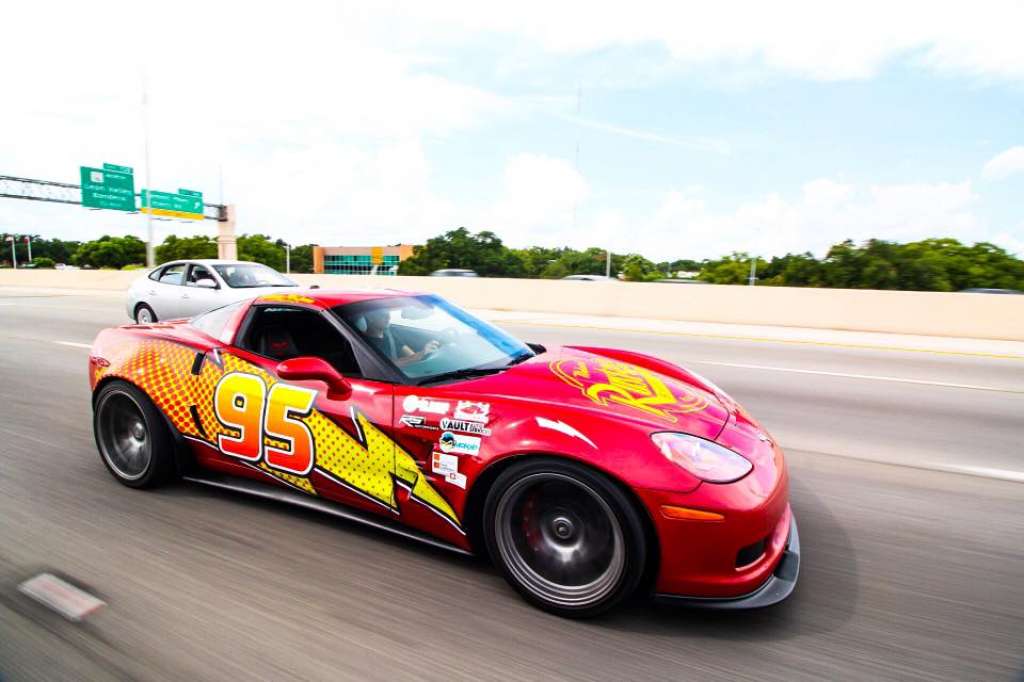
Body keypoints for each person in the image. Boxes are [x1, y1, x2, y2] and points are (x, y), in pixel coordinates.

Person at [361, 307, 440, 367]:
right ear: (370, 318)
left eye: (388, 314)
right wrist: (420, 355)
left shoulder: (390, 335)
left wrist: (424, 356)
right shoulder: (364, 344)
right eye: (383, 315)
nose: (388, 317)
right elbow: (385, 365)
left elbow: (411, 355)